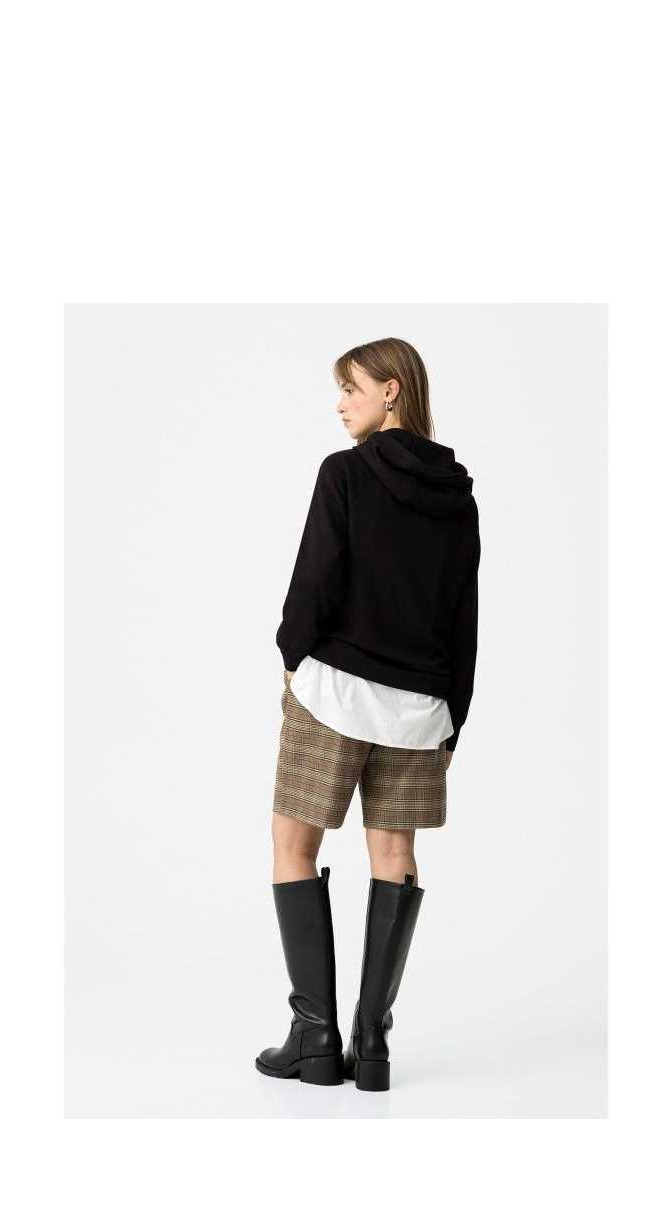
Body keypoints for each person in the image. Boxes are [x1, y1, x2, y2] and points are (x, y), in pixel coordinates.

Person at [255, 337, 480, 1092]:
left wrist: (293, 657)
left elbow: (314, 580)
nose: (340, 402)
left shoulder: (344, 473)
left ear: (391, 391)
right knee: (395, 854)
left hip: (335, 695)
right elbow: (463, 616)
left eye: (351, 387)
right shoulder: (457, 495)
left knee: (293, 844)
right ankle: (372, 1043)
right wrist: (453, 715)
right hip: (421, 708)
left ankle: (315, 1036)